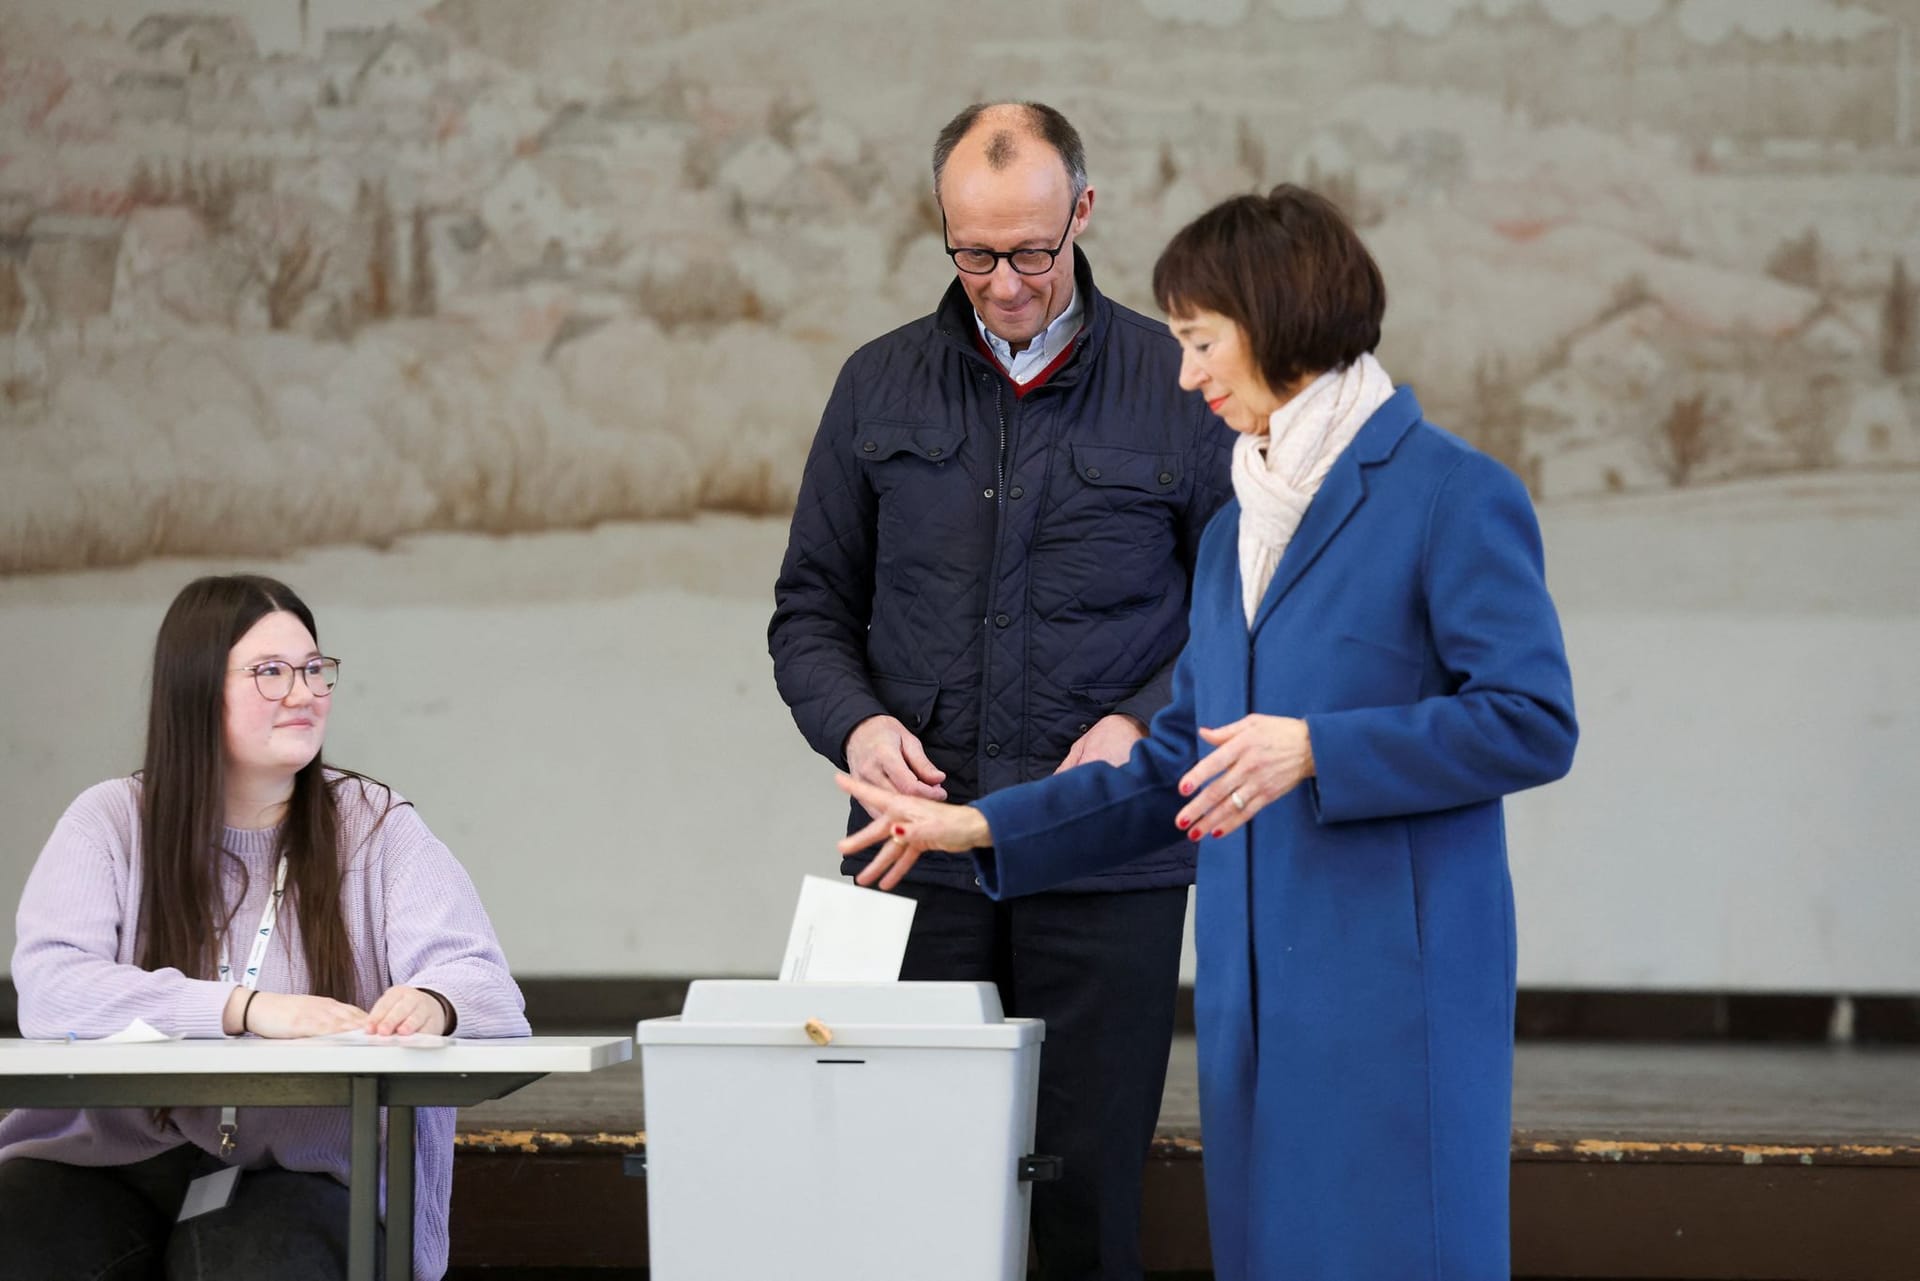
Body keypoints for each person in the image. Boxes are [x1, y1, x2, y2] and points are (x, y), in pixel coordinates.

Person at [835, 186, 1579, 1281]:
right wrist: (974, 829)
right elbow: (1175, 762)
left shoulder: (1450, 495)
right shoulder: (1237, 525)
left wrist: (1320, 748)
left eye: (1200, 342)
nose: (1185, 376)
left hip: (1392, 998)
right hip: (1251, 998)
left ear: (1277, 321)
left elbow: (1532, 721)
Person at [769, 102, 1233, 1279]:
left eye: (1032, 250)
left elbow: (1237, 617)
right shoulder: (880, 386)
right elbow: (809, 611)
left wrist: (1140, 722)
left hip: (1110, 847)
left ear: (1083, 211)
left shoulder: (1178, 385)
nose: (1007, 282)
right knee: (904, 1189)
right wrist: (858, 719)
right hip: (912, 852)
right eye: (974, 254)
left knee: (1084, 1191)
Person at [0, 573, 529, 1281]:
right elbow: (54, 992)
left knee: (246, 1259)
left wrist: (434, 1002)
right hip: (109, 1159)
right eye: (271, 672)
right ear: (195, 687)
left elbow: (488, 988)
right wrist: (248, 1010)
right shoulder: (110, 820)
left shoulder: (374, 825)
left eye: (315, 669)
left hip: (298, 1171)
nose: (304, 691)